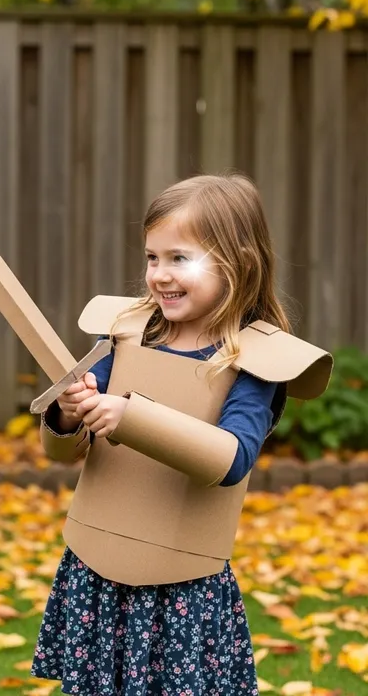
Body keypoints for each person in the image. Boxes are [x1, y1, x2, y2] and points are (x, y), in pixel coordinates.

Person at [30, 173, 332, 695]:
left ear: (238, 263)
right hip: (97, 567)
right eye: (152, 257)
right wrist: (68, 411)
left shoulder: (252, 362)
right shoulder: (128, 333)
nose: (159, 274)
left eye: (179, 258)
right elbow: (61, 450)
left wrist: (130, 418)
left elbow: (232, 459)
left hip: (182, 584)